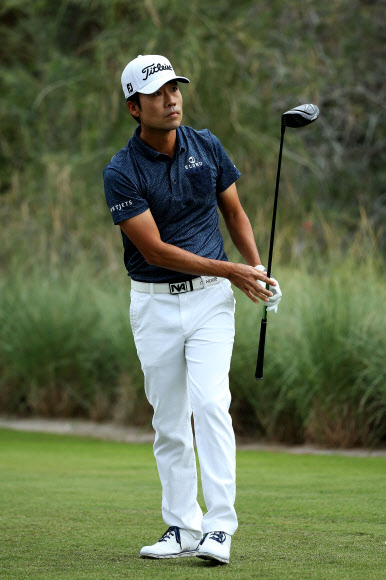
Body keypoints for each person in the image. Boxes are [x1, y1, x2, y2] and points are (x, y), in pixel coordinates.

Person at [103, 54, 282, 565]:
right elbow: (155, 250)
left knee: (210, 406)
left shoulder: (207, 145)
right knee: (169, 421)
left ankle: (219, 528)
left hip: (208, 301)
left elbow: (234, 211)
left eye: (175, 88)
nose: (171, 98)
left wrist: (256, 268)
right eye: (158, 93)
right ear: (135, 107)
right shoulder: (121, 171)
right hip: (154, 304)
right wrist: (235, 271)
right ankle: (183, 527)